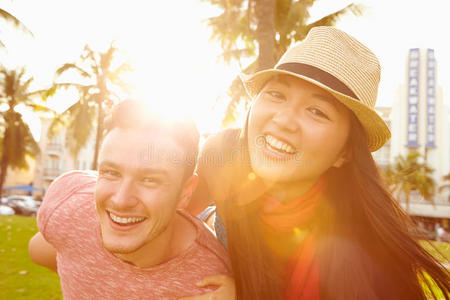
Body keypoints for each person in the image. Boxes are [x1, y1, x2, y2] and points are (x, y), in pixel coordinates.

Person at [188, 26, 450, 299]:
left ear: (344, 152)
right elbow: (164, 224)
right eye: (276, 94)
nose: (284, 121)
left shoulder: (371, 269)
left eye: (317, 111)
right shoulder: (221, 155)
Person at [28, 100, 231, 299]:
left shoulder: (209, 284)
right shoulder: (69, 204)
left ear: (185, 191)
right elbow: (40, 250)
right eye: (111, 172)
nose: (121, 200)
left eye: (149, 180)